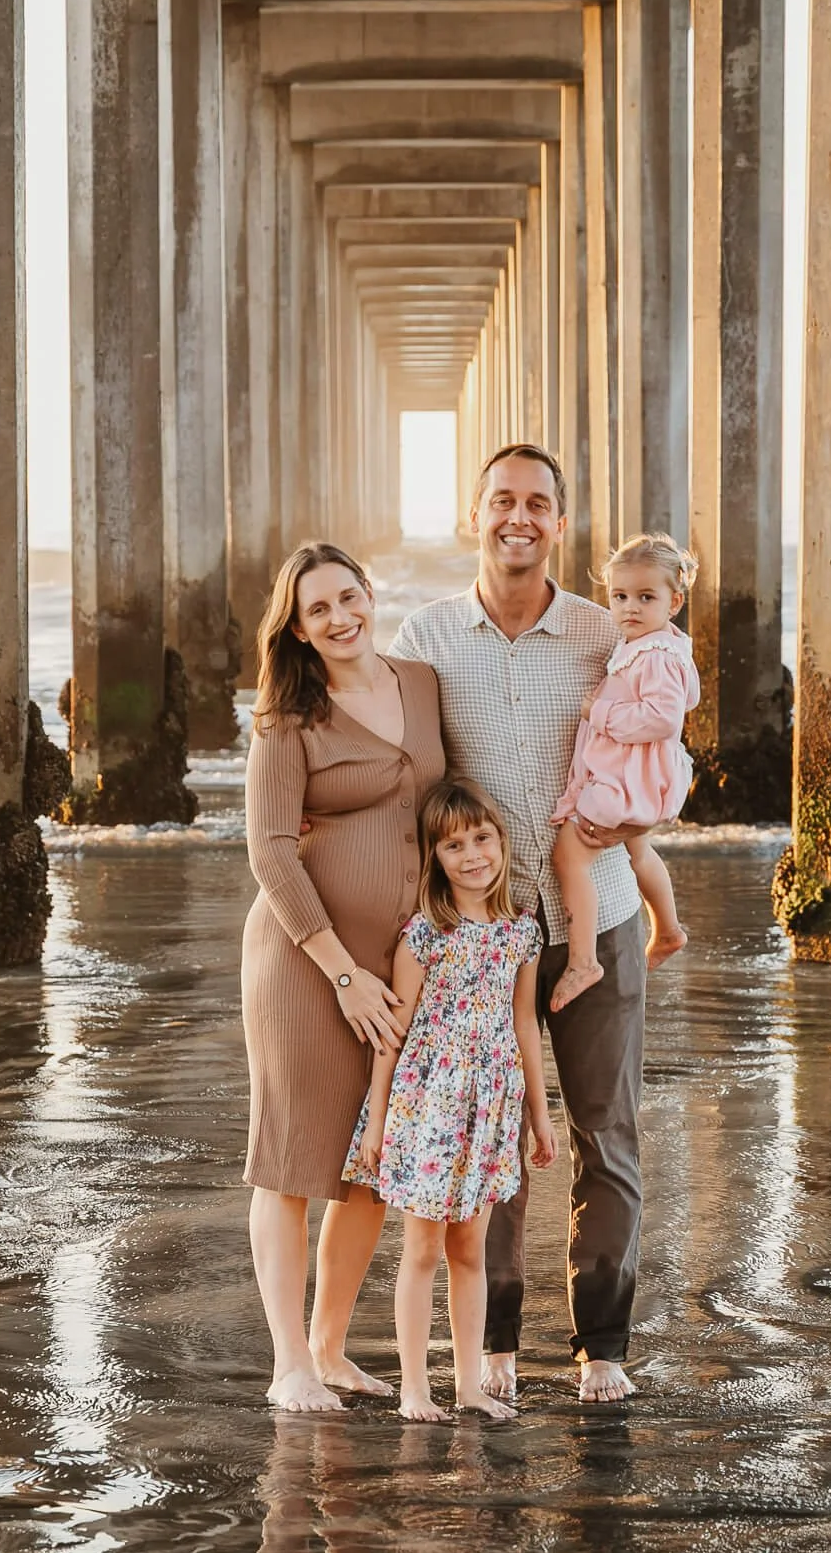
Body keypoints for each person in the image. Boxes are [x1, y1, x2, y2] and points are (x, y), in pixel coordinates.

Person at [388, 441, 652, 1405]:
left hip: (601, 914)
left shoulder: (605, 634)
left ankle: (602, 1344)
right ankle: (494, 1340)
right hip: (479, 933)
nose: (519, 517)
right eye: (502, 499)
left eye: (538, 503)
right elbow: (399, 777)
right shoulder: (423, 638)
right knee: (488, 1133)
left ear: (562, 521)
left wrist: (634, 823)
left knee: (604, 1134)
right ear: (473, 514)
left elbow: (667, 754)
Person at [242, 542, 445, 1412]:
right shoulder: (290, 717)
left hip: (403, 957)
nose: (339, 617)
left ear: (372, 595)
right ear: (295, 625)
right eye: (318, 607)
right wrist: (341, 974)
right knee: (291, 1159)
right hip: (304, 962)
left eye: (349, 596)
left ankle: (330, 1347)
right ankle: (288, 1360)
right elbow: (270, 851)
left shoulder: (422, 683)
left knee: (373, 1157)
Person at [343, 779, 559, 1423]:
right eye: (455, 845)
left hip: (492, 1106)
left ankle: (468, 1385)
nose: (473, 855)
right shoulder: (425, 935)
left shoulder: (523, 933)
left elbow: (525, 1026)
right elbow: (393, 1035)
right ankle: (415, 1388)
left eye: (482, 839)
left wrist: (541, 1118)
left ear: (501, 841)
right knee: (423, 1251)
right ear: (436, 858)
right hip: (429, 1104)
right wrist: (377, 1122)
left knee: (470, 1251)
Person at [547, 532, 700, 1012]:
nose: (629, 608)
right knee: (640, 852)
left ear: (674, 601)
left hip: (622, 783)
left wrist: (601, 713)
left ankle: (583, 959)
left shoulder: (653, 654)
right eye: (620, 597)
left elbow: (665, 717)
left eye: (645, 597)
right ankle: (669, 929)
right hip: (634, 776)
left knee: (569, 860)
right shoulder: (658, 644)